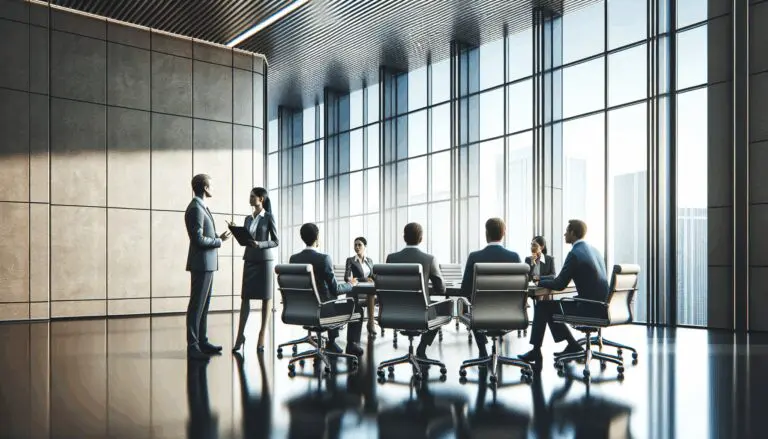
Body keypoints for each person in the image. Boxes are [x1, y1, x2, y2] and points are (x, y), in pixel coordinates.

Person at [519, 219, 609, 364]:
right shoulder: (594, 251)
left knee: (543, 307)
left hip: (587, 308)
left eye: (567, 231)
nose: (564, 234)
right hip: (601, 306)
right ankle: (572, 344)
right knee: (550, 307)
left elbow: (559, 284)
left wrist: (538, 281)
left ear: (573, 233)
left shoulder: (575, 253)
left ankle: (537, 352)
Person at [289, 223, 364, 356]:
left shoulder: (294, 259)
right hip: (322, 311)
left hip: (300, 310)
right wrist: (351, 284)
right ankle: (345, 344)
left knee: (328, 297)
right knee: (356, 308)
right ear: (317, 238)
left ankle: (332, 342)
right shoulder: (323, 259)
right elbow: (335, 289)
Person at [459, 218, 521, 357]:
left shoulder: (475, 256)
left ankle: (482, 350)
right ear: (503, 233)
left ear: (486, 233)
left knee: (474, 308)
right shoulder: (514, 257)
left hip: (482, 314)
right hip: (509, 314)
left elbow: (464, 290)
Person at [184, 174, 231, 360]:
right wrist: (219, 241)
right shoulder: (195, 208)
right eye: (211, 185)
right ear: (204, 187)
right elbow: (198, 239)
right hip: (201, 264)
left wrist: (219, 237)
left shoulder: (201, 207)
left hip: (207, 264)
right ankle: (193, 345)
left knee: (204, 305)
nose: (213, 188)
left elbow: (203, 236)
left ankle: (202, 341)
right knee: (197, 305)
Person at [385, 222, 445, 359]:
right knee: (441, 310)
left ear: (404, 237)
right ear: (421, 238)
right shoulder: (429, 259)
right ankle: (422, 347)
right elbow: (441, 289)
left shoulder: (391, 258)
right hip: (421, 314)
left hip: (395, 312)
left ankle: (420, 348)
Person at [231, 187, 279, 353]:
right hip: (250, 259)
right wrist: (237, 232)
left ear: (261, 199)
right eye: (250, 196)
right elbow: (246, 241)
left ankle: (261, 336)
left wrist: (261, 244)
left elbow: (275, 241)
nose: (250, 198)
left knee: (266, 298)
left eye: (253, 196)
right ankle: (240, 335)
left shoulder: (269, 217)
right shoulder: (247, 219)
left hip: (264, 261)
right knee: (245, 297)